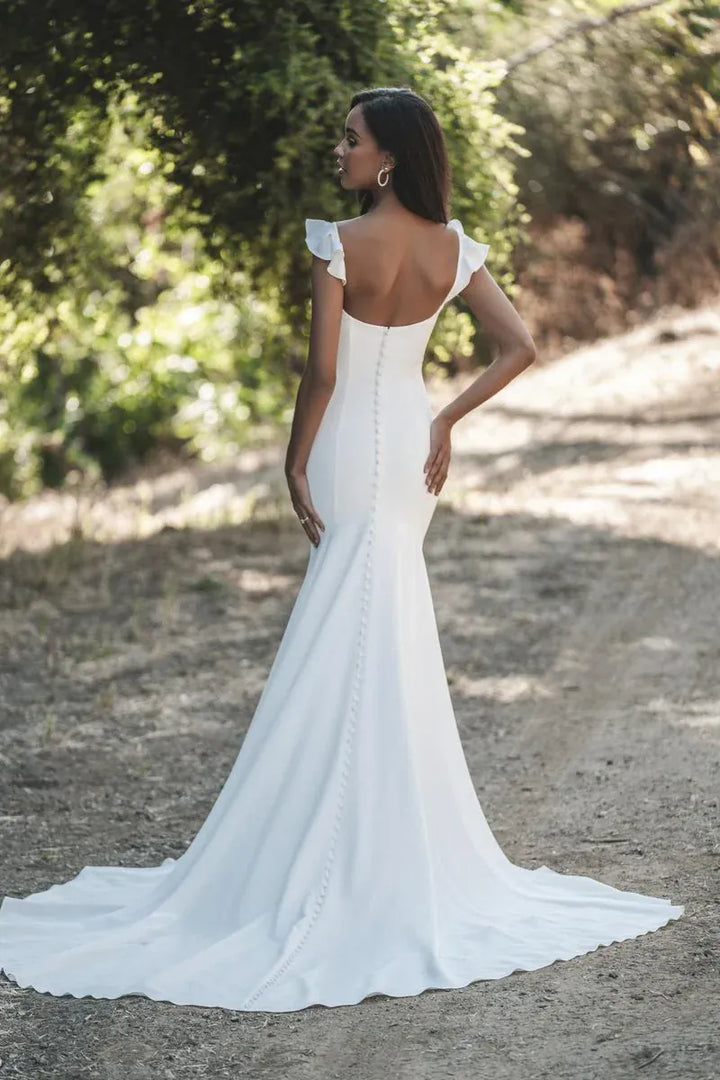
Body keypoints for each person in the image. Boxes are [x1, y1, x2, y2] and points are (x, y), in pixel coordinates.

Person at [0, 87, 683, 1013]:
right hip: (407, 445)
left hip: (345, 445)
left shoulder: (338, 243)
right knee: (383, 623)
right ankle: (387, 846)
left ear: (388, 157)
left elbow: (323, 371)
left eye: (350, 139)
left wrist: (291, 460)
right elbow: (518, 344)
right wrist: (445, 413)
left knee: (345, 623)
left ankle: (329, 849)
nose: (339, 150)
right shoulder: (453, 246)